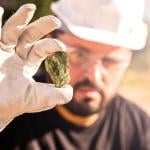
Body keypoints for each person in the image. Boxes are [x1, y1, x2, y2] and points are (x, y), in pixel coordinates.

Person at [0, 0, 150, 150]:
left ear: (128, 59)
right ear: (50, 40)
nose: (94, 75)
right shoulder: (11, 104)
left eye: (110, 61)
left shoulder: (140, 130)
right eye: (79, 54)